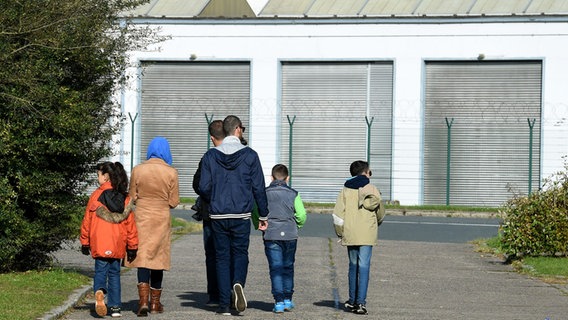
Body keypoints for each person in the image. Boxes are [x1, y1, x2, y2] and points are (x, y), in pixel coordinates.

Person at [198, 115, 269, 315]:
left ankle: (223, 304)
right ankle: (238, 283)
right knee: (240, 253)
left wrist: (216, 198)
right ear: (237, 129)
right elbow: (258, 188)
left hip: (218, 215)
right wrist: (263, 214)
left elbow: (203, 187)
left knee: (221, 257)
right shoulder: (250, 155)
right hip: (241, 214)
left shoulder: (210, 156)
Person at [126, 136, 180, 316]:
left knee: (142, 257)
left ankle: (142, 301)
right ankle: (155, 303)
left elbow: (132, 196)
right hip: (161, 218)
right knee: (158, 258)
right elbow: (174, 201)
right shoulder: (171, 172)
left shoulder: (138, 169)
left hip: (142, 217)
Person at [80, 161, 139, 318]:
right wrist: (133, 247)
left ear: (105, 177)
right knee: (114, 274)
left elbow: (87, 221)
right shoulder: (125, 198)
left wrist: (85, 242)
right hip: (117, 242)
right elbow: (130, 226)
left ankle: (99, 291)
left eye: (98, 175)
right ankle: (115, 308)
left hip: (100, 242)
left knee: (100, 270)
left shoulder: (95, 196)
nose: (97, 178)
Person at [332, 160, 385, 316]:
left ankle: (352, 300)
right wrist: (376, 223)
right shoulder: (372, 189)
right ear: (366, 172)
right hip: (367, 233)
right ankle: (361, 303)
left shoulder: (345, 190)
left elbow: (338, 215)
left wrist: (340, 232)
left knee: (353, 266)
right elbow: (380, 213)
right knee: (364, 267)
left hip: (350, 231)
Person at [253, 164, 307, 313]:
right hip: (290, 234)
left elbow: (255, 210)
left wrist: (259, 224)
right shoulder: (294, 193)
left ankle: (278, 301)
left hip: (271, 234)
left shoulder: (264, 193)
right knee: (288, 266)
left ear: (271, 177)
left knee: (275, 268)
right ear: (287, 178)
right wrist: (297, 226)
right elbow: (301, 215)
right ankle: (288, 299)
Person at [192, 119, 225, 307]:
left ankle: (214, 295)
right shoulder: (240, 155)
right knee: (230, 252)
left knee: (212, 254)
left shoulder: (208, 157)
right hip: (232, 210)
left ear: (212, 138)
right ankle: (229, 289)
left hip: (210, 211)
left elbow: (197, 184)